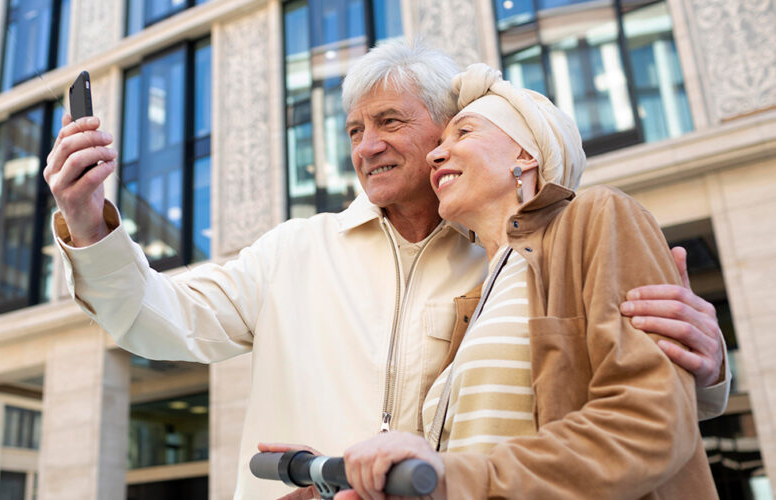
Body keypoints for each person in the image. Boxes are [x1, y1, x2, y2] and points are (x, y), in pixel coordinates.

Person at [42, 40, 728, 498]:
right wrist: (89, 218)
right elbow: (151, 316)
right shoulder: (294, 250)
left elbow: (618, 403)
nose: (366, 146)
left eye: (391, 122)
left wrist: (704, 374)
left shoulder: (512, 257)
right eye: (353, 131)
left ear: (444, 130)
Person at [337, 63, 717, 500]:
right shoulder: (476, 299)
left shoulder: (593, 218)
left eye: (464, 134)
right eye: (439, 143)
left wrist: (454, 477)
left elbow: (649, 422)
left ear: (526, 155)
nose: (435, 155)